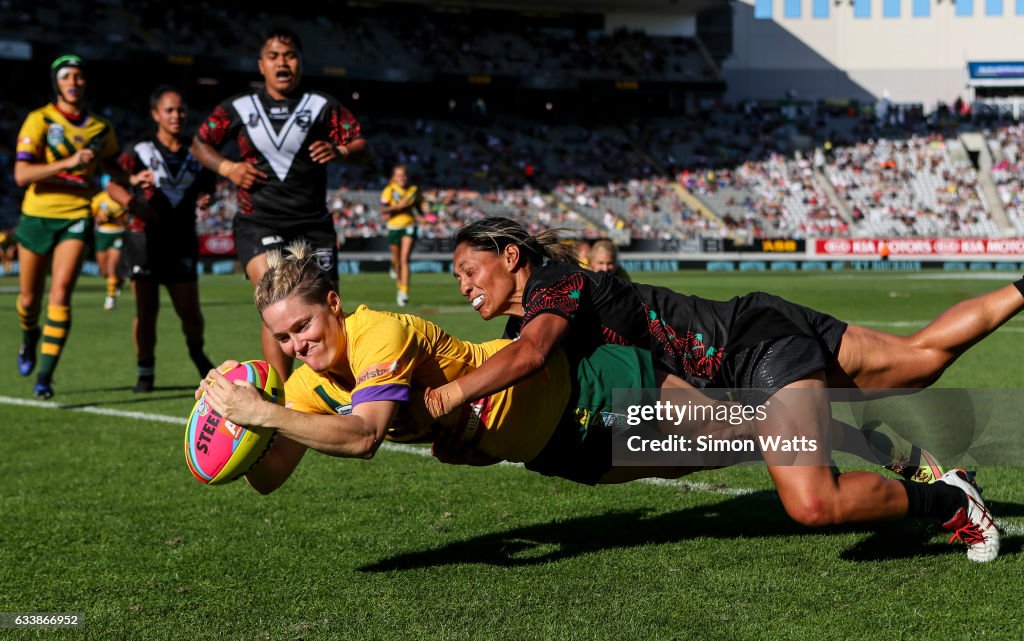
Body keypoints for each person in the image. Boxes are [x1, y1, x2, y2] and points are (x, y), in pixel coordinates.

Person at [195, 245, 984, 565]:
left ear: (332, 303)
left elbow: (363, 436)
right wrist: (238, 415)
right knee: (743, 431)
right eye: (281, 339)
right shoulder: (297, 381)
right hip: (560, 451)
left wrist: (263, 414)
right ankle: (872, 436)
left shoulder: (378, 333)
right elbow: (271, 471)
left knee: (749, 432)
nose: (296, 345)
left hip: (595, 391)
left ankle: (936, 492)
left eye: (302, 327)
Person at [425, 217, 1014, 562]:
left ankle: (954, 501)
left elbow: (529, 357)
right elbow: (533, 411)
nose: (463, 286)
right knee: (921, 359)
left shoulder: (551, 285)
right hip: (754, 334)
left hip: (746, 354)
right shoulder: (526, 316)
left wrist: (447, 398)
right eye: (456, 279)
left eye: (468, 271)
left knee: (812, 503)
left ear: (510, 256)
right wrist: (474, 446)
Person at [191, 26, 366, 379]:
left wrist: (340, 150)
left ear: (300, 62)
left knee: (324, 309)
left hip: (313, 224)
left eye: (289, 55)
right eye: (274, 56)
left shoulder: (321, 106)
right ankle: (283, 398)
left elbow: (362, 145)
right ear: (261, 65)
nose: (282, 62)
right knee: (275, 298)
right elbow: (200, 143)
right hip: (260, 221)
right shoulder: (239, 107)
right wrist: (228, 167)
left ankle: (335, 388)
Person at [13, 55, 129, 399]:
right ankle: (29, 337)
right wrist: (69, 162)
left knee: (61, 293)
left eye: (79, 76)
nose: (74, 82)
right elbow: (21, 175)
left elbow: (113, 167)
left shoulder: (101, 129)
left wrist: (131, 179)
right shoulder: (39, 120)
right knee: (29, 299)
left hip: (77, 214)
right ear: (57, 83)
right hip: (36, 215)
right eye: (67, 77)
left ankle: (45, 378)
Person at [119, 86, 216, 393]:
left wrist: (206, 199)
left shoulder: (197, 151)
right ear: (155, 114)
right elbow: (113, 183)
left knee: (190, 312)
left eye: (181, 110)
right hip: (144, 241)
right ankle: (145, 371)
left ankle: (197, 352)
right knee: (146, 313)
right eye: (170, 110)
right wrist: (133, 192)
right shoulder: (139, 151)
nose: (177, 116)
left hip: (181, 239)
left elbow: (208, 187)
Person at [380, 165, 424, 306]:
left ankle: (403, 292)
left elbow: (419, 204)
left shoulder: (414, 190)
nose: (402, 178)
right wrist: (397, 207)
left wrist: (424, 213)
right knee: (397, 260)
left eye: (404, 175)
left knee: (404, 259)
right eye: (399, 175)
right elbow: (383, 209)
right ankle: (394, 267)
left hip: (409, 225)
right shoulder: (389, 190)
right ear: (394, 177)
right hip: (393, 227)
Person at [90, 175, 125, 310]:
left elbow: (127, 218)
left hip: (118, 233)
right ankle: (119, 280)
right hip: (102, 235)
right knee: (104, 271)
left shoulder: (122, 198)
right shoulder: (99, 199)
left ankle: (110, 298)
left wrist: (114, 219)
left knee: (112, 266)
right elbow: (91, 215)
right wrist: (99, 219)